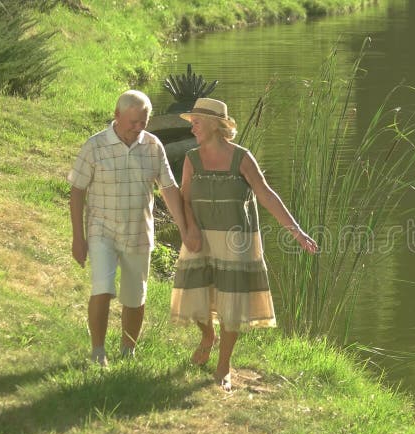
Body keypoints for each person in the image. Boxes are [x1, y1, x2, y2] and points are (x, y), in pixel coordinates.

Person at [170, 97, 318, 391]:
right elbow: (184, 198)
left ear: (215, 125)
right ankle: (207, 337)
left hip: (237, 241)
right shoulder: (191, 158)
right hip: (201, 238)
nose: (192, 128)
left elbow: (266, 195)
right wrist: (189, 229)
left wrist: (297, 231)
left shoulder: (242, 157)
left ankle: (224, 364)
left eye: (197, 122)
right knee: (195, 292)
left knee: (232, 303)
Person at [68, 90, 193, 367]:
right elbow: (77, 192)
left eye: (143, 122)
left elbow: (169, 189)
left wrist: (184, 227)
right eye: (132, 122)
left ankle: (128, 351)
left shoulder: (153, 146)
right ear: (117, 116)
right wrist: (79, 237)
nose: (138, 128)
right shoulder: (95, 146)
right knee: (102, 287)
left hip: (139, 232)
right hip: (102, 230)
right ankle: (98, 351)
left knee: (135, 296)